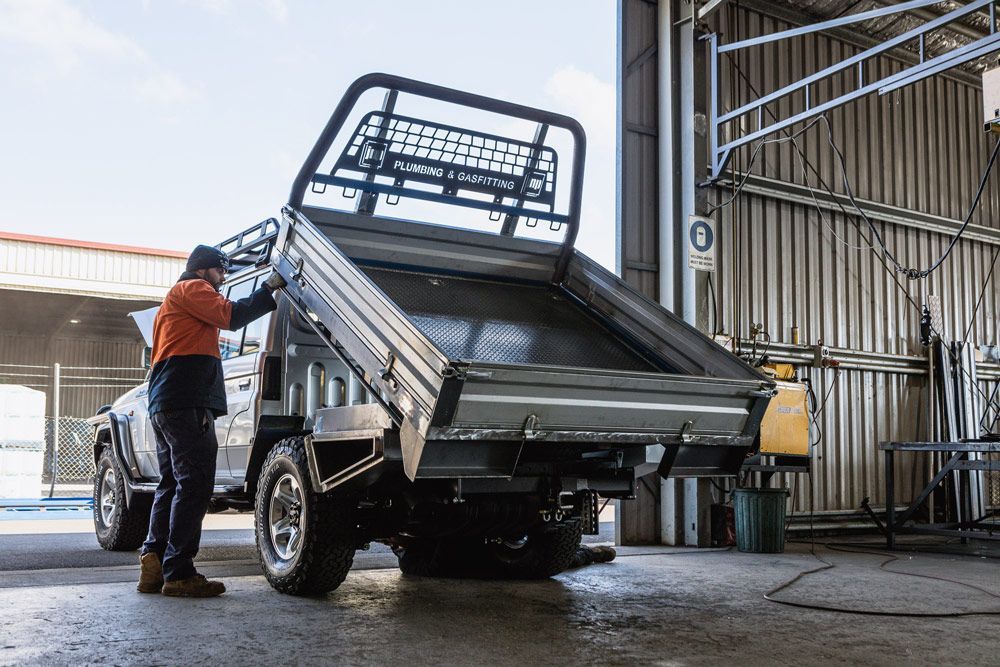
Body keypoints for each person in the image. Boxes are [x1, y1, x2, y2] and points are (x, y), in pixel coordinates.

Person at [136, 244, 285, 597]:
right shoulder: (194, 288)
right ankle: (179, 572)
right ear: (204, 269)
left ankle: (153, 566)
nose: (223, 279)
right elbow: (231, 315)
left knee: (171, 483)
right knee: (195, 484)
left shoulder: (174, 300)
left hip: (166, 402)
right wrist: (268, 290)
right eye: (221, 271)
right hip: (187, 402)